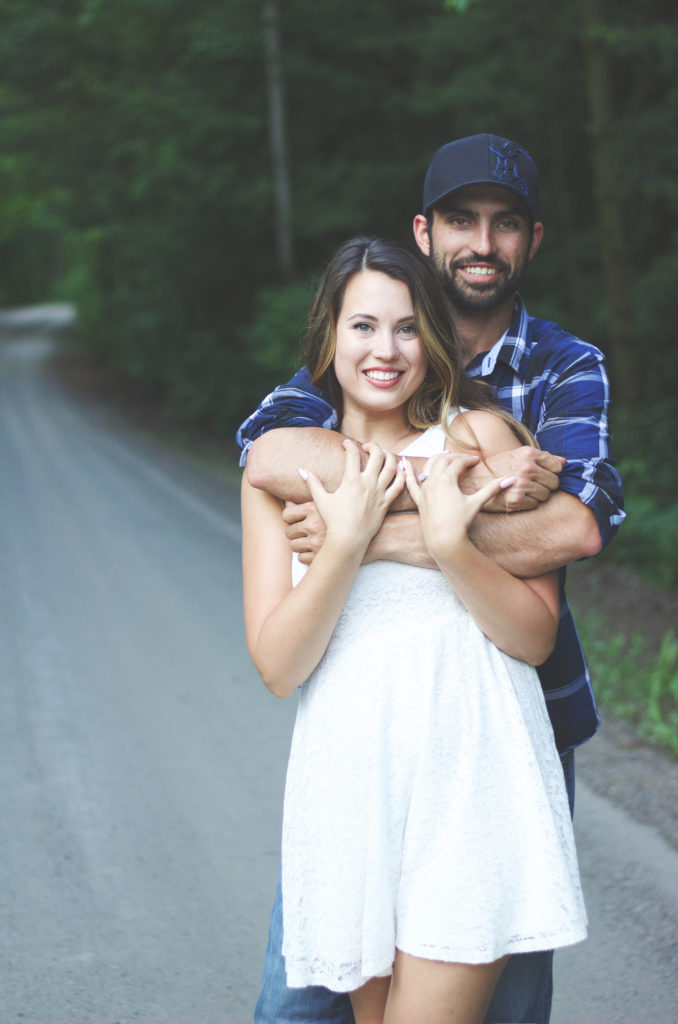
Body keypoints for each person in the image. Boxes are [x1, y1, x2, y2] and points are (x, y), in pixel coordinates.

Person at [238, 134, 625, 1024]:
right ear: (426, 233)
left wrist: (398, 531)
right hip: (352, 769)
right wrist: (400, 518)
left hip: (482, 742)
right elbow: (265, 456)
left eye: (407, 328)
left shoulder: (537, 387)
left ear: (533, 239)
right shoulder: (310, 410)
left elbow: (574, 527)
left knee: (506, 1005)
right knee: (293, 1008)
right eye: (460, 220)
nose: (386, 347)